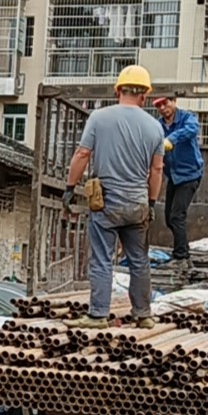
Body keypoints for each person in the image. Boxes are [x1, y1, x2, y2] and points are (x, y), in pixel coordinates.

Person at [62, 65, 165, 330]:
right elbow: (156, 169)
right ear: (144, 96)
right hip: (137, 203)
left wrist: (70, 187)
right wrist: (152, 202)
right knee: (139, 261)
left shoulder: (99, 118)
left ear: (118, 90)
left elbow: (82, 154)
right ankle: (143, 315)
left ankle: (98, 315)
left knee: (102, 259)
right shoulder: (155, 127)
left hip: (105, 203)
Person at [153, 96, 203, 274]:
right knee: (169, 217)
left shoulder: (187, 118)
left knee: (176, 215)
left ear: (174, 101)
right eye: (159, 105)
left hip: (189, 175)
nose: (163, 108)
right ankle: (185, 256)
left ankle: (180, 257)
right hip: (173, 176)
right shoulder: (158, 125)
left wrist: (172, 139)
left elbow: (192, 130)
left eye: (165, 103)